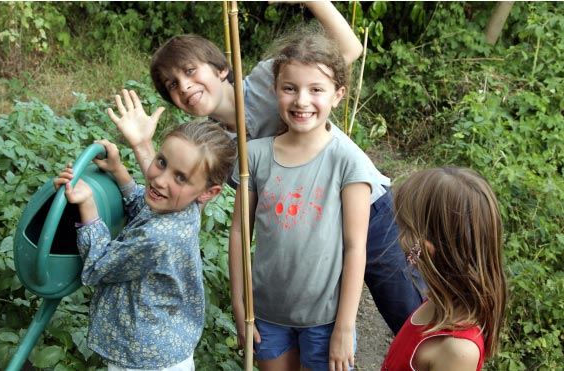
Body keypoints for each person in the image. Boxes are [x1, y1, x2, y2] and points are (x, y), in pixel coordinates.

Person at [108, 1, 424, 337]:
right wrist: (142, 145)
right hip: (306, 228)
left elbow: (349, 48)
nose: (183, 86)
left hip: (362, 206)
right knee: (319, 331)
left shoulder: (265, 79)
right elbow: (175, 194)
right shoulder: (214, 147)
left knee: (404, 310)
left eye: (189, 71)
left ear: (220, 69)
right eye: (171, 84)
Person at [226, 26, 391, 370]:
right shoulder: (253, 155)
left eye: (316, 89)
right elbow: (240, 233)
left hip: (326, 319)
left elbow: (355, 247)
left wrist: (345, 327)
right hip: (266, 314)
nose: (301, 101)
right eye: (290, 88)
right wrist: (241, 307)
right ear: (275, 92)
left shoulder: (349, 161)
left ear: (337, 94)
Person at [53, 121, 236, 370]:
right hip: (165, 347)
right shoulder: (183, 208)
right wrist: (118, 171)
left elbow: (97, 267)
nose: (160, 180)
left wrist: (86, 205)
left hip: (145, 361)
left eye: (180, 177)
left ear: (208, 192)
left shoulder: (160, 237)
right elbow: (143, 206)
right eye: (161, 162)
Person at [381, 167, 507, 371]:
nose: (399, 239)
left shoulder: (457, 350)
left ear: (426, 249)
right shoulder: (438, 300)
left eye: (404, 229)